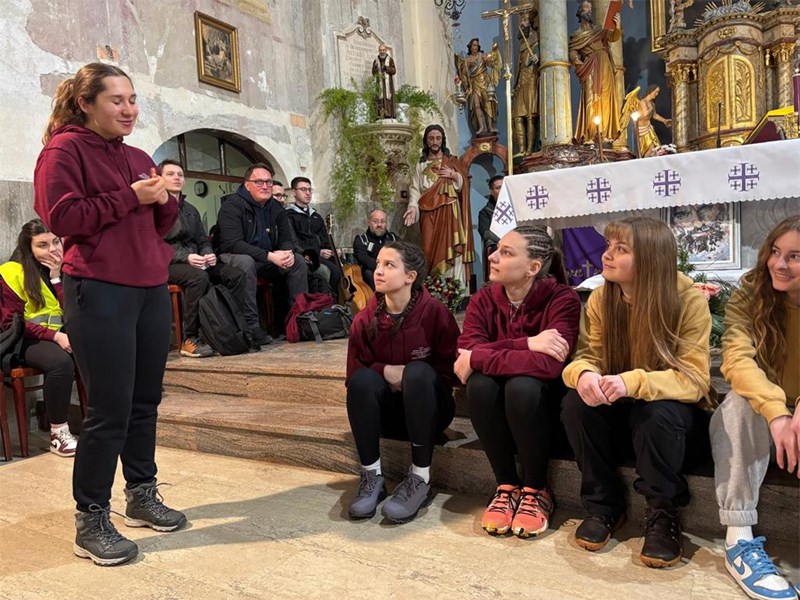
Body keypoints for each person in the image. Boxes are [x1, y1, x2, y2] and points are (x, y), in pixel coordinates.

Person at [34, 63, 186, 567]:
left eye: (133, 99)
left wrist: (165, 197)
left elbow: (158, 226)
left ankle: (141, 494)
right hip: (99, 287)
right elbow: (63, 217)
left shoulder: (138, 156)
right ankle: (91, 518)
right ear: (86, 104)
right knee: (109, 408)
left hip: (148, 287)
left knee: (145, 401)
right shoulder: (64, 150)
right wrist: (130, 196)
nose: (129, 109)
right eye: (116, 100)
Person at [561, 216, 712, 569]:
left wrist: (633, 382)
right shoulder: (601, 298)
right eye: (609, 246)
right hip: (622, 415)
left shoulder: (687, 300)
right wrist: (584, 374)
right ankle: (603, 506)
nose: (606, 254)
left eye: (621, 249)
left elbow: (695, 380)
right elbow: (586, 356)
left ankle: (663, 512)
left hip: (675, 427)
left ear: (650, 258)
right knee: (575, 403)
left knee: (656, 411)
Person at [456, 226, 581, 538]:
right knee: (480, 385)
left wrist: (481, 356)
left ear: (533, 267)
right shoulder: (482, 300)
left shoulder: (562, 299)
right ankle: (506, 486)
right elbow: (463, 361)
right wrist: (526, 344)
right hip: (499, 411)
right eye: (497, 249)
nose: (492, 257)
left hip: (543, 411)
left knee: (522, 386)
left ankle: (536, 490)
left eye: (506, 253)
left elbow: (548, 365)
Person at [710, 215, 800, 600]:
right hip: (766, 408)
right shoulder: (751, 294)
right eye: (776, 252)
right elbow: (736, 359)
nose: (779, 264)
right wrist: (777, 411)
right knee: (738, 404)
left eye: (795, 256)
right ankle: (739, 537)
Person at [345, 241, 459, 523]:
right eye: (378, 264)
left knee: (418, 372)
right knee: (362, 381)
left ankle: (420, 477)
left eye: (389, 265)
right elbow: (354, 372)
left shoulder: (435, 314)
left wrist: (411, 376)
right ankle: (372, 476)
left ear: (410, 276)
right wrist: (386, 370)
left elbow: (451, 372)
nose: (378, 271)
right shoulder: (364, 318)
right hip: (389, 417)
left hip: (430, 413)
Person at [0, 219, 78, 457]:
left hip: (57, 336)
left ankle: (105, 422)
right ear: (28, 248)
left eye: (56, 242)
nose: (52, 249)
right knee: (60, 363)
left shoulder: (65, 268)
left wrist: (56, 278)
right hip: (21, 340)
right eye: (42, 245)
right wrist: (55, 336)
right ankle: (58, 434)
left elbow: (73, 313)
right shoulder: (12, 271)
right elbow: (11, 323)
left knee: (97, 350)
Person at [160, 159, 247, 357]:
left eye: (180, 175)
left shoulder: (190, 209)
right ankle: (190, 338)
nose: (176, 178)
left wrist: (208, 253)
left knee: (236, 275)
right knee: (198, 277)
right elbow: (154, 244)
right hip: (166, 263)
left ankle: (229, 330)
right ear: (159, 179)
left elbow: (201, 239)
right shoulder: (153, 208)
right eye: (170, 174)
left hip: (195, 260)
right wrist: (186, 257)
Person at [217, 163, 307, 342]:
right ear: (247, 185)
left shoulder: (275, 207)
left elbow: (286, 237)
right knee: (246, 262)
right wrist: (270, 256)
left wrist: (287, 252)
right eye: (258, 182)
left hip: (266, 259)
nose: (265, 186)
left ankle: (298, 322)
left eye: (268, 182)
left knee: (297, 261)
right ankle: (251, 327)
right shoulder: (232, 206)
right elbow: (232, 244)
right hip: (233, 258)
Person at [404, 125, 473, 284]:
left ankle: (453, 286)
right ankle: (433, 285)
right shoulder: (420, 165)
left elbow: (464, 186)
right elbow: (415, 189)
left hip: (449, 210)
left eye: (438, 138)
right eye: (431, 138)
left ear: (442, 140)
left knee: (450, 243)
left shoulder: (451, 161)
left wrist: (454, 175)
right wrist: (412, 207)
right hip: (427, 211)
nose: (435, 142)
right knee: (428, 249)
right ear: (426, 141)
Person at [569, 0, 622, 144]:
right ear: (580, 12)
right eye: (586, 7)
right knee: (591, 97)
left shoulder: (599, 29)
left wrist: (617, 27)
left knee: (605, 97)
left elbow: (612, 37)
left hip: (604, 63)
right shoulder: (577, 35)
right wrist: (576, 60)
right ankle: (591, 134)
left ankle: (603, 133)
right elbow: (573, 50)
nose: (589, 10)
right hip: (589, 65)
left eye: (590, 8)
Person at [285, 177, 342, 295]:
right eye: (303, 189)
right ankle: (324, 302)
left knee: (348, 267)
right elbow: (295, 242)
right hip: (307, 256)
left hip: (322, 255)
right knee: (331, 271)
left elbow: (325, 238)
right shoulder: (289, 215)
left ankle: (340, 301)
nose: (308, 193)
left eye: (310, 190)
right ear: (294, 192)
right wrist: (318, 252)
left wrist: (334, 250)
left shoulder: (316, 216)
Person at [455, 38, 501, 136]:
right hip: (474, 83)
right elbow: (463, 74)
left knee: (488, 104)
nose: (475, 47)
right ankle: (481, 127)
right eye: (474, 45)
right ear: (470, 47)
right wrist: (466, 66)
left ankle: (490, 127)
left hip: (485, 82)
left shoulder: (482, 55)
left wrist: (490, 58)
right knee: (476, 105)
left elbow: (492, 63)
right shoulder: (467, 59)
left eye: (477, 45)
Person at [512, 11, 540, 157]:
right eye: (521, 21)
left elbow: (539, 53)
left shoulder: (536, 39)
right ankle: (521, 149)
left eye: (524, 21)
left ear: (530, 22)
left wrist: (538, 56)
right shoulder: (522, 43)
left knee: (530, 115)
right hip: (521, 81)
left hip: (531, 77)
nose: (522, 24)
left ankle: (530, 149)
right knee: (517, 116)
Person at [353, 208, 398, 290]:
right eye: (375, 221)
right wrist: (382, 267)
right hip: (372, 272)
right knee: (368, 273)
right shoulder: (362, 239)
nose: (379, 224)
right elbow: (362, 258)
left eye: (382, 221)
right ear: (369, 223)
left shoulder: (393, 238)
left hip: (392, 271)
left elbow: (403, 254)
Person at [635, 85, 671, 158]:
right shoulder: (643, 102)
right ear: (651, 91)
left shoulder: (652, 104)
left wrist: (664, 120)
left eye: (658, 92)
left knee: (654, 147)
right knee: (648, 148)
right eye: (656, 92)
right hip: (642, 129)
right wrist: (650, 107)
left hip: (649, 128)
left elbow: (654, 115)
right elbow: (645, 114)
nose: (656, 94)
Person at [478, 176, 503, 260]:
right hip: (498, 245)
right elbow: (486, 234)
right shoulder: (485, 212)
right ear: (492, 192)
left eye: (504, 187)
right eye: (498, 188)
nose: (502, 190)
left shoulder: (516, 207)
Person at [372, 44, 397, 119]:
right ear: (378, 51)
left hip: (388, 83)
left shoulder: (390, 59)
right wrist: (375, 69)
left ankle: (389, 114)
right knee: (380, 97)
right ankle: (380, 114)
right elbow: (373, 72)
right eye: (380, 50)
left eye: (383, 50)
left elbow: (394, 70)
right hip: (379, 83)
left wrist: (387, 68)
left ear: (386, 51)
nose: (382, 52)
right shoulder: (376, 60)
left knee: (388, 97)